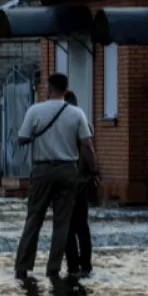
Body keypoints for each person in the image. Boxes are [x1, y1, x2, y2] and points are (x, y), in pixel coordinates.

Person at [14, 73, 98, 279]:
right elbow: (87, 146)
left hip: (42, 170)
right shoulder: (76, 113)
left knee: (34, 218)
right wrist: (94, 171)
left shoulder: (35, 110)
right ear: (65, 89)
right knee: (62, 222)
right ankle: (53, 268)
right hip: (68, 170)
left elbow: (21, 139)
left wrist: (35, 136)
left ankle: (23, 267)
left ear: (48, 88)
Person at [62, 90, 95, 276]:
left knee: (68, 226)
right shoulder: (86, 123)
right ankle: (86, 265)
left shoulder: (64, 124)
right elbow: (89, 150)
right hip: (82, 181)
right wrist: (94, 171)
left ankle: (73, 266)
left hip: (66, 181)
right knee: (82, 225)